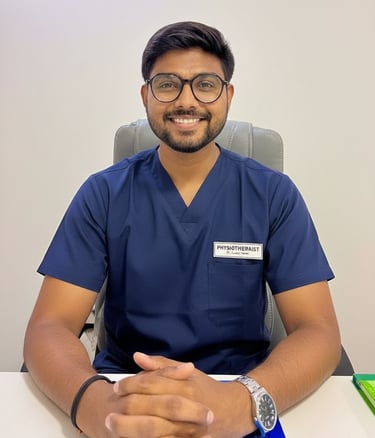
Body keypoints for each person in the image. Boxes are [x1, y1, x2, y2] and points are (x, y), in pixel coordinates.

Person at [23, 21, 341, 438]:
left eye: (205, 85)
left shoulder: (272, 195)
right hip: (125, 394)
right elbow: (50, 326)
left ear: (227, 95)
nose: (186, 100)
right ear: (146, 96)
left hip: (237, 392)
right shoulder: (103, 193)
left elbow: (317, 331)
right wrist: (93, 405)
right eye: (168, 84)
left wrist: (244, 401)